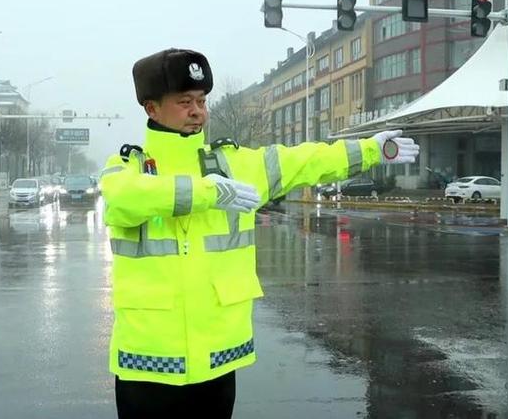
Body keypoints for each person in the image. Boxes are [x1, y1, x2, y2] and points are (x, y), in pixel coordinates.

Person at [99, 48, 420, 418]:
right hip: (147, 364)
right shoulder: (127, 167)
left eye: (202, 100)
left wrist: (368, 150)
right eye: (184, 101)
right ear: (151, 108)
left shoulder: (235, 164)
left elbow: (302, 161)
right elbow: (123, 200)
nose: (197, 111)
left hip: (217, 362)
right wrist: (210, 192)